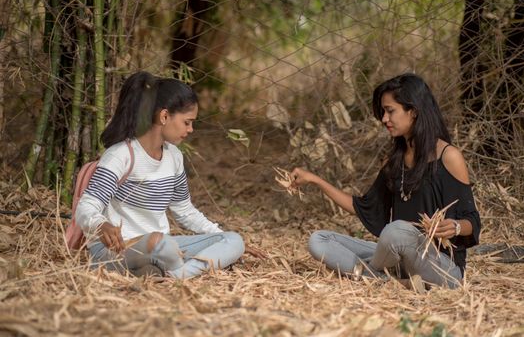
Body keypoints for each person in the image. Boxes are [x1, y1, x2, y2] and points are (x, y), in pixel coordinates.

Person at [291, 73, 481, 289]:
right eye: (383, 112)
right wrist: (315, 180)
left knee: (395, 231)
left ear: (414, 111)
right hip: (398, 257)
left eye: (390, 111)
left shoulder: (449, 156)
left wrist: (455, 227)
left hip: (441, 266)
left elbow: (472, 221)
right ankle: (389, 281)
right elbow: (364, 207)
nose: (384, 119)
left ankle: (374, 275)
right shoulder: (393, 161)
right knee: (319, 240)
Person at [76, 71, 245, 279]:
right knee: (162, 245)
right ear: (164, 116)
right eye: (187, 122)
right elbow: (86, 206)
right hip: (118, 250)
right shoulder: (121, 155)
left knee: (234, 241)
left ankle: (171, 275)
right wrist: (100, 224)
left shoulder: (174, 156)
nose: (191, 129)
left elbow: (185, 211)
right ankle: (177, 270)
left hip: (162, 246)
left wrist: (220, 236)